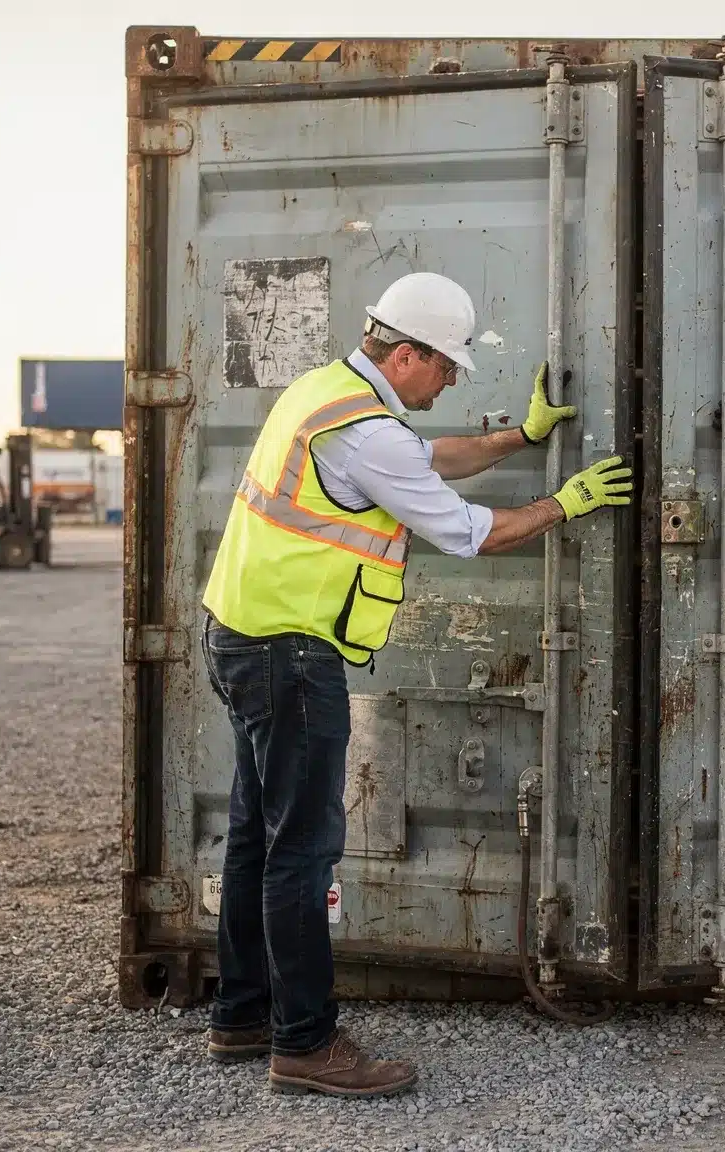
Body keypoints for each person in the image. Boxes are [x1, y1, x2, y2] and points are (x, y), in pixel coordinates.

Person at [197, 272, 632, 1099]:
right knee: (302, 851)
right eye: (449, 368)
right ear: (405, 355)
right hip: (291, 658)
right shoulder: (369, 433)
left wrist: (517, 439)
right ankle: (305, 1043)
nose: (454, 381)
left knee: (257, 837)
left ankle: (244, 1015)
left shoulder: (327, 395)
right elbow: (471, 532)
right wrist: (563, 504)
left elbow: (425, 458)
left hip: (245, 637)